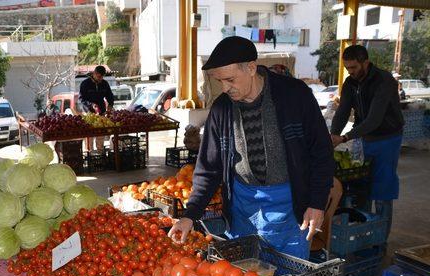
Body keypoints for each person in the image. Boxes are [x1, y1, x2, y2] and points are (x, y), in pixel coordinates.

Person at [168, 36, 334, 259]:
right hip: (242, 206)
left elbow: (321, 151)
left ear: (252, 68)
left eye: (230, 80)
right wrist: (190, 215)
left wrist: (316, 202)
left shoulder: (294, 95)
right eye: (220, 81)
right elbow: (208, 169)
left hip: (289, 205)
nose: (225, 88)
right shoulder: (221, 110)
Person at [330, 45, 404, 237]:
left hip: (388, 139)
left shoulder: (384, 80)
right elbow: (343, 112)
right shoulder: (350, 83)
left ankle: (380, 239)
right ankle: (362, 234)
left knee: (382, 190)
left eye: (354, 67)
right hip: (365, 139)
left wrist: (345, 137)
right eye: (347, 68)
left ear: (366, 62)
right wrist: (333, 135)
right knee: (362, 187)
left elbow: (374, 119)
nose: (350, 72)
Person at [79, 65, 115, 151]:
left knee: (100, 137)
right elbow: (81, 99)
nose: (100, 79)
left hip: (101, 113)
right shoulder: (85, 84)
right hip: (88, 114)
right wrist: (91, 105)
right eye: (99, 77)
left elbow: (110, 96)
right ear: (94, 74)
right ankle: (89, 154)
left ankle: (100, 154)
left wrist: (110, 105)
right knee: (89, 138)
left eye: (102, 77)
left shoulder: (104, 84)